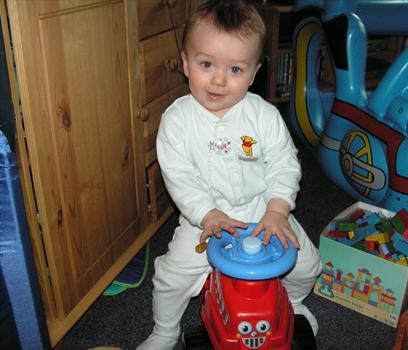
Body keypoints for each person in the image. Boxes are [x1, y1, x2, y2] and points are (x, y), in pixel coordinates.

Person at [137, 1, 322, 349]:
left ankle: (293, 303)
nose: (219, 79)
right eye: (207, 64)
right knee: (170, 277)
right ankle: (164, 330)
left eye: (235, 69)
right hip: (203, 219)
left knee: (307, 263)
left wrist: (278, 210)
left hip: (262, 210)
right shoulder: (177, 121)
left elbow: (284, 163)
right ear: (186, 61)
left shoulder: (263, 116)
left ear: (254, 73)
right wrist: (207, 214)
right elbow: (179, 177)